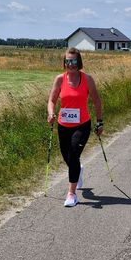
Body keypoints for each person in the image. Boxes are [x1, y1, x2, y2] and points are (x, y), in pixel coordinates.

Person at [47, 47, 103, 207]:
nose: (70, 64)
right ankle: (78, 169)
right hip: (63, 125)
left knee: (73, 153)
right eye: (68, 61)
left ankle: (71, 194)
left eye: (74, 61)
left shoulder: (87, 79)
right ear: (64, 62)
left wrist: (100, 122)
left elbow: (97, 101)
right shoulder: (60, 79)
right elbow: (51, 100)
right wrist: (51, 113)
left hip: (82, 125)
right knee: (68, 157)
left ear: (79, 62)